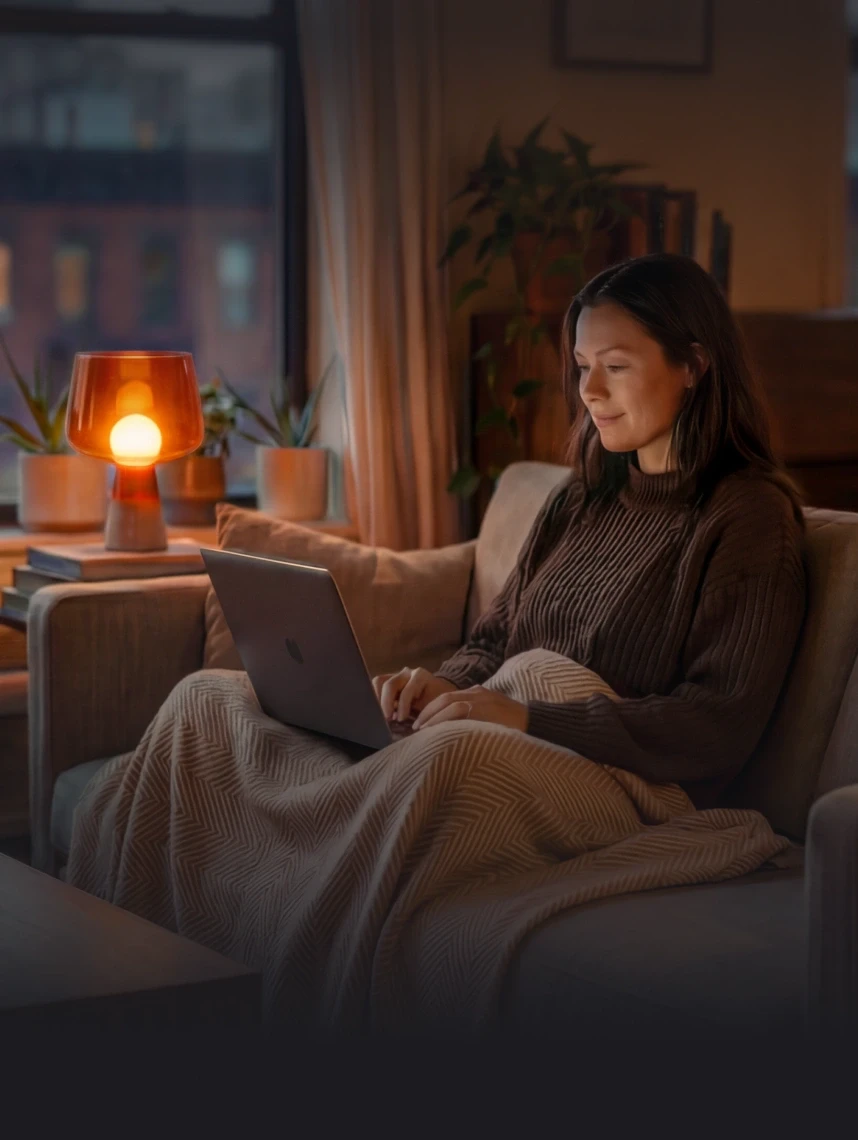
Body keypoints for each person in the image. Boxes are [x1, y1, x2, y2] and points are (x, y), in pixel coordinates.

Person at [373, 253, 807, 808]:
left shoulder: (749, 517)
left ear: (693, 366)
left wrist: (529, 718)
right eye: (582, 366)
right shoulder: (578, 498)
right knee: (230, 703)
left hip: (618, 784)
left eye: (616, 366)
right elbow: (493, 641)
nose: (589, 391)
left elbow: (716, 723)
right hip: (507, 745)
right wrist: (444, 689)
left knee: (418, 785)